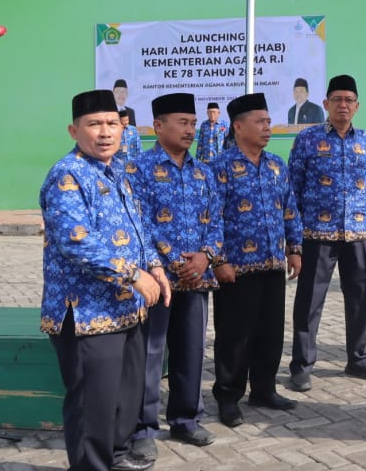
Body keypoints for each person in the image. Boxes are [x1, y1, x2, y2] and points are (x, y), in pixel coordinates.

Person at [40, 89, 170, 471]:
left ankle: (114, 457)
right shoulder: (67, 174)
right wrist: (133, 275)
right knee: (92, 404)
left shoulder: (117, 172)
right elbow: (75, 241)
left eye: (112, 123)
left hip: (126, 308)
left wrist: (155, 266)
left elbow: (138, 228)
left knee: (123, 397)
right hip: (86, 313)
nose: (105, 132)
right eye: (94, 124)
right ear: (73, 130)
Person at [124, 93, 224, 463]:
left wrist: (205, 256)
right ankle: (143, 428)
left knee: (192, 351)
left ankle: (185, 418)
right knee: (150, 355)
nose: (190, 130)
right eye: (182, 122)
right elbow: (138, 224)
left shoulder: (204, 172)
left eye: (193, 123)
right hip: (156, 281)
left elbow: (217, 222)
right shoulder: (137, 170)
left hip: (197, 280)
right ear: (158, 126)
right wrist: (171, 260)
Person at [287, 75, 366, 392]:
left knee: (360, 299)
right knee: (309, 301)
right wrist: (293, 239)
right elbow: (293, 190)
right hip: (318, 235)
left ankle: (358, 358)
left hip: (359, 234)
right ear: (326, 104)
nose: (343, 105)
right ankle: (302, 364)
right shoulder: (307, 140)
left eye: (349, 100)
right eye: (337, 99)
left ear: (357, 107)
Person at [210, 92, 303, 427]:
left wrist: (295, 248)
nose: (267, 127)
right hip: (236, 269)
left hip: (272, 264)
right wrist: (218, 260)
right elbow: (211, 218)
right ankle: (228, 395)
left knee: (270, 331)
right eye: (260, 122)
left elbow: (290, 209)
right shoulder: (220, 168)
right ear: (238, 126)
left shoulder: (277, 165)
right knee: (235, 335)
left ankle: (264, 388)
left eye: (268, 121)